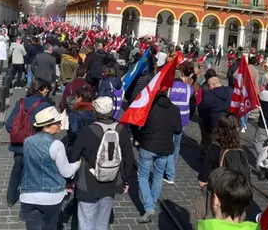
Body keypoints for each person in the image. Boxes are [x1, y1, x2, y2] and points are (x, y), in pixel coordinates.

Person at [69, 96, 133, 230]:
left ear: (95, 111)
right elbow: (128, 157)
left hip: (88, 182)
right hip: (112, 181)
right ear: (112, 111)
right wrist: (126, 180)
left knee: (86, 221)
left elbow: (74, 156)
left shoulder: (87, 131)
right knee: (102, 222)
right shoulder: (121, 130)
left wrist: (69, 179)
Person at [19, 106, 80, 229]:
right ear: (46, 126)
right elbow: (66, 172)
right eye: (57, 123)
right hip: (51, 196)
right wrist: (78, 163)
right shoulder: (56, 144)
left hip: (28, 195)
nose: (60, 125)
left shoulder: (27, 141)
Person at [137, 91, 182, 223]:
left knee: (143, 176)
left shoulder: (150, 106)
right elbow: (178, 130)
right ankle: (152, 202)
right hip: (165, 148)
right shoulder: (174, 109)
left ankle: (149, 205)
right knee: (157, 176)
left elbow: (139, 124)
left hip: (148, 146)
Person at [5, 79, 51, 207]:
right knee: (33, 171)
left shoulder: (20, 103)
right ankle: (29, 197)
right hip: (35, 146)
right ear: (40, 89)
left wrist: (20, 135)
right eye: (46, 88)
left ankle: (10, 197)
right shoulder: (44, 106)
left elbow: (9, 125)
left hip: (19, 146)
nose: (47, 91)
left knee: (17, 170)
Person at [198, 113, 250, 188]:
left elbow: (203, 180)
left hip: (221, 191)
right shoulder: (240, 150)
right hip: (238, 192)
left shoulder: (214, 148)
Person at [163, 69, 195, 184]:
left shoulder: (169, 87)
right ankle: (173, 162)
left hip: (170, 118)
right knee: (176, 144)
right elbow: (192, 100)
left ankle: (169, 168)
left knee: (169, 144)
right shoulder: (188, 88)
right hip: (183, 118)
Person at [198, 76, 232, 153]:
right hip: (228, 122)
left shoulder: (209, 95)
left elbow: (203, 111)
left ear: (212, 85)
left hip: (214, 123)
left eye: (208, 85)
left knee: (213, 143)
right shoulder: (230, 91)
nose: (208, 87)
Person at [65, 85, 96, 154]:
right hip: (90, 145)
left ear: (80, 98)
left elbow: (74, 131)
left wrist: (70, 142)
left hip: (77, 145)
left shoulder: (75, 113)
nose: (75, 98)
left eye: (76, 97)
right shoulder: (93, 111)